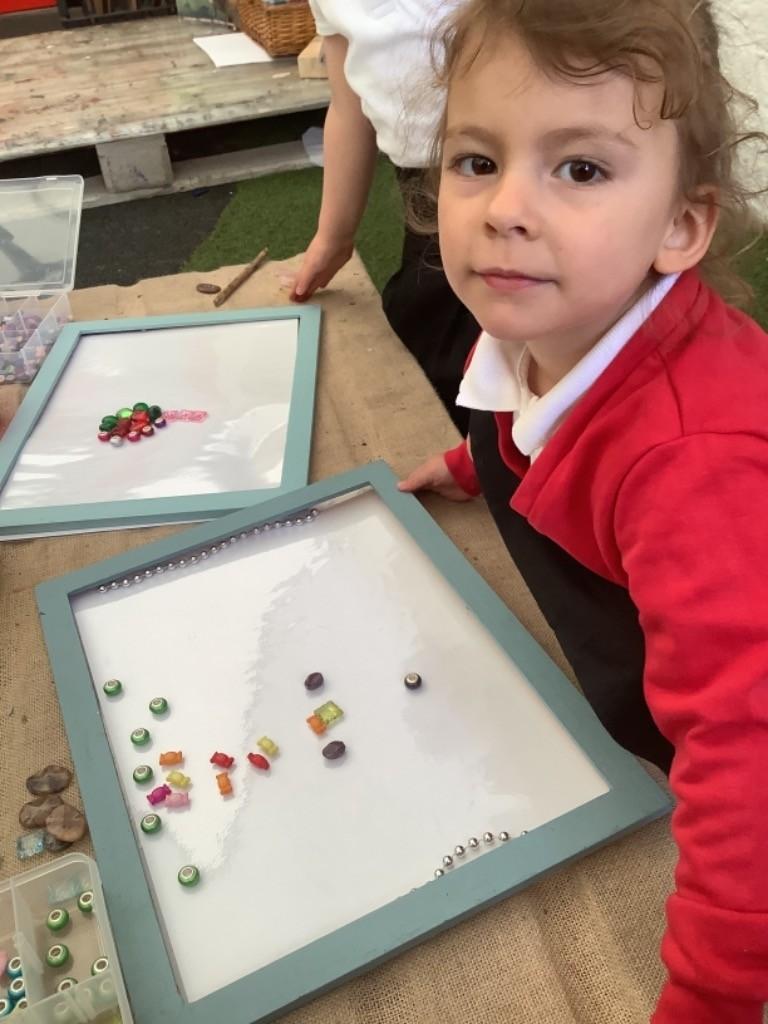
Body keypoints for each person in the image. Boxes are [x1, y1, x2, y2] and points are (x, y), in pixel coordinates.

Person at [397, 1, 768, 1021]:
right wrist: (470, 464)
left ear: (681, 226)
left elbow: (745, 753)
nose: (506, 207)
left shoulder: (691, 466)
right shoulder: (546, 322)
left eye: (582, 168)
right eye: (477, 160)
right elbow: (530, 414)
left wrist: (711, 998)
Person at [291, 1, 478, 434]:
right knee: (423, 324)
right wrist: (333, 236)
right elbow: (347, 106)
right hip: (421, 183)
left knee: (509, 334)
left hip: (509, 163)